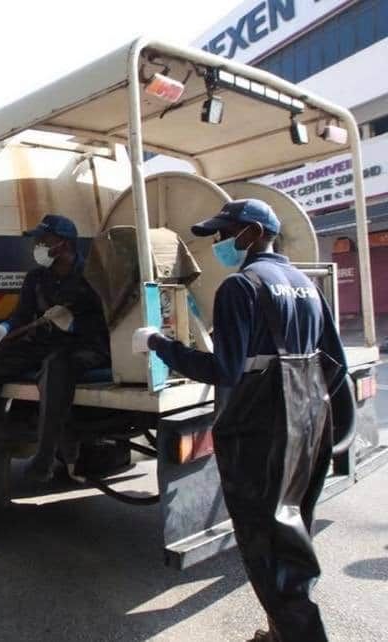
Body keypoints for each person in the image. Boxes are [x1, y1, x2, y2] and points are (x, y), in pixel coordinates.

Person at [133, 199, 346, 642]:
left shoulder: (241, 286)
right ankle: (281, 631)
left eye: (222, 234)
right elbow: (337, 363)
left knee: (265, 539)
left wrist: (159, 343)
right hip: (309, 415)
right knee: (293, 530)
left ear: (251, 233)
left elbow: (223, 371)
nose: (218, 244)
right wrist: (310, 406)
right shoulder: (305, 283)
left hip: (261, 425)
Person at [0, 214, 110, 482]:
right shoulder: (36, 278)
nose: (38, 246)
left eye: (43, 240)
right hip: (47, 342)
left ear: (63, 244)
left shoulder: (92, 276)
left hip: (85, 346)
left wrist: (75, 325)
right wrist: (4, 329)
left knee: (56, 366)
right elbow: (21, 316)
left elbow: (110, 319)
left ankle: (44, 460)